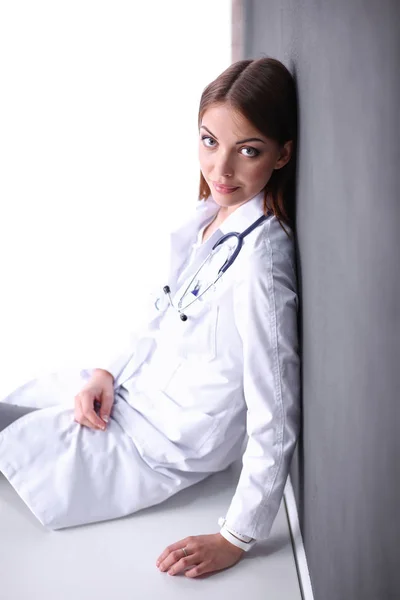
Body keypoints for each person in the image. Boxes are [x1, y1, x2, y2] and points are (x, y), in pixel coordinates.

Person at [0, 56, 300, 578]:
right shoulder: (209, 217)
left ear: (282, 155)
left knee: (22, 456)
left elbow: (275, 411)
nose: (221, 169)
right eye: (210, 141)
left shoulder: (262, 263)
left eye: (247, 151)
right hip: (132, 392)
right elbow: (158, 311)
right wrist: (106, 371)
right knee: (15, 416)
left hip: (163, 443)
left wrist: (237, 535)